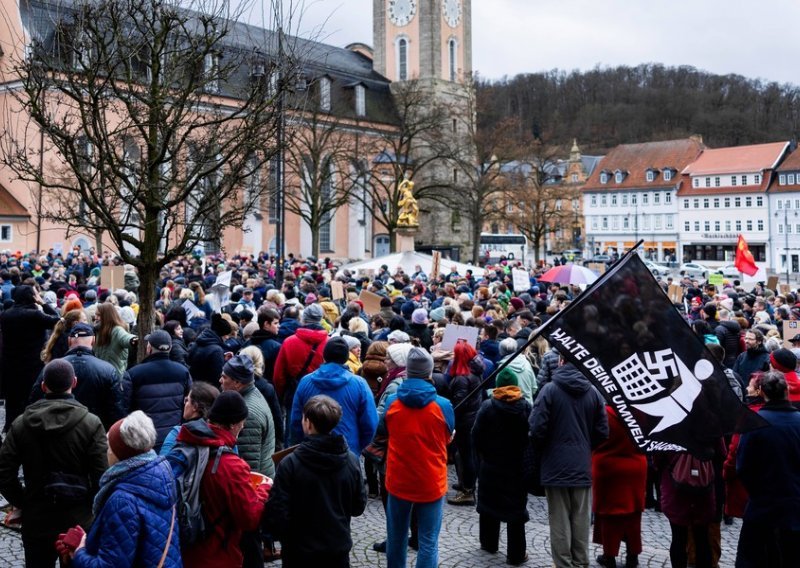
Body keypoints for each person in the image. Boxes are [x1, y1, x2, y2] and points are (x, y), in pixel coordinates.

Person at [0, 359, 108, 568]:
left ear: (43, 386)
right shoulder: (91, 423)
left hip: (37, 517)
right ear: (74, 382)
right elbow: (101, 475)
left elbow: (4, 472)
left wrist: (23, 501)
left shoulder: (22, 423)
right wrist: (88, 506)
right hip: (78, 519)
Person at [170, 391, 270, 567]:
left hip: (186, 551)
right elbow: (249, 518)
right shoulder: (231, 465)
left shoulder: (187, 443)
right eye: (242, 422)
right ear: (233, 424)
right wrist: (263, 489)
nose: (243, 426)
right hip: (218, 555)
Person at [69, 411, 181, 567]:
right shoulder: (162, 477)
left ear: (120, 453)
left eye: (109, 446)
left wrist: (80, 552)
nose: (106, 451)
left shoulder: (122, 500)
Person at [265, 395, 367, 567]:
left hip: (299, 552)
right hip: (337, 549)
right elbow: (357, 506)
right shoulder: (351, 461)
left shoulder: (290, 463)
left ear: (308, 423)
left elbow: (278, 512)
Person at [529, 356, 609, 568]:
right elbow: (602, 431)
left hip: (555, 464)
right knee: (581, 520)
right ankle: (581, 562)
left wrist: (546, 448)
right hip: (581, 463)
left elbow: (537, 429)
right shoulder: (593, 392)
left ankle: (563, 564)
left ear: (561, 361)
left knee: (559, 519)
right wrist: (584, 446)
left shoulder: (549, 390)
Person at [380, 347, 455, 568]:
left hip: (399, 478)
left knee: (396, 538)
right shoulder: (443, 405)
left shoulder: (393, 402)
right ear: (429, 373)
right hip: (430, 480)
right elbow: (447, 436)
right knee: (428, 541)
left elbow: (384, 430)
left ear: (408, 372)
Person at [736, 370, 800, 567]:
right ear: (786, 390)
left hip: (763, 506)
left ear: (762, 391)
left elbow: (743, 467)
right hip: (794, 506)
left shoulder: (755, 423)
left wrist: (757, 492)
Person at [470, 367, 532, 566]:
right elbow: (531, 436)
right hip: (516, 466)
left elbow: (475, 435)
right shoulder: (526, 407)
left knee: (489, 504)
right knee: (515, 510)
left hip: (491, 464)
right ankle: (516, 554)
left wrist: (483, 457)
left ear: (497, 386)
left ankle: (489, 543)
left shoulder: (488, 406)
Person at [290, 336, 378, 456]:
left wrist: (299, 446)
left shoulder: (306, 381)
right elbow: (371, 423)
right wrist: (357, 447)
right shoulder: (359, 384)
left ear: (324, 355)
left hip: (311, 450)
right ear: (346, 357)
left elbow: (296, 421)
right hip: (347, 451)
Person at [30, 322, 123, 430]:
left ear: (69, 340)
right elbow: (116, 410)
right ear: (93, 340)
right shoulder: (108, 369)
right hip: (94, 432)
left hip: (57, 431)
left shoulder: (52, 367)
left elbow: (34, 401)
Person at [592, 405, 648, 568]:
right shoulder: (642, 412)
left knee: (609, 514)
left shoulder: (605, 413)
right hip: (636, 466)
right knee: (633, 514)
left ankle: (609, 555)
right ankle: (633, 555)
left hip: (608, 467)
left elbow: (597, 438)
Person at [0, 284, 61, 431]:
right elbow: (58, 320)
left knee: (13, 398)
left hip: (11, 363)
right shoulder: (34, 315)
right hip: (32, 364)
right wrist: (43, 303)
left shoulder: (5, 315)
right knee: (31, 397)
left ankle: (11, 427)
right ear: (31, 296)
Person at [122, 329, 192, 451]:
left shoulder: (133, 374)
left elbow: (124, 407)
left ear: (149, 348)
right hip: (173, 437)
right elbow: (190, 402)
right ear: (169, 348)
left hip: (144, 438)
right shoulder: (183, 372)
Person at [447, 340, 484, 506]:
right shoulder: (474, 372)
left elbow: (459, 404)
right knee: (464, 455)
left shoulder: (462, 378)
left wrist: (450, 418)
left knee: (466, 456)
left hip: (465, 422)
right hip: (471, 419)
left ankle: (468, 490)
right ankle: (465, 483)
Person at [159, 381, 219, 456]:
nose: (185, 404)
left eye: (187, 400)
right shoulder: (221, 435)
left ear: (195, 407)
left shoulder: (177, 433)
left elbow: (164, 464)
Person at [93, 302, 137, 378]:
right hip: (101, 375)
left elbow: (125, 337)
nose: (96, 318)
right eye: (95, 315)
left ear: (106, 316)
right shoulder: (98, 330)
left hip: (114, 377)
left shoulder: (116, 330)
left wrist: (133, 339)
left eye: (99, 315)